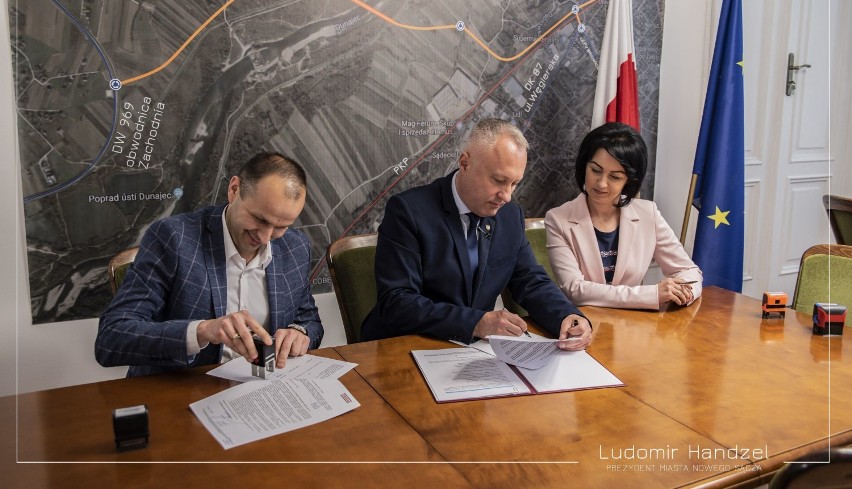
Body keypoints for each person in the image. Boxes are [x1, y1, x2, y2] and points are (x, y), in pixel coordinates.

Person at [361, 118, 592, 348]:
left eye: (514, 183)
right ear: (464, 163)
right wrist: (476, 323)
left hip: (470, 353)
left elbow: (530, 280)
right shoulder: (408, 211)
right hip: (402, 347)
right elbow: (397, 302)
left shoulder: (510, 215)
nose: (507, 195)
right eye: (499, 180)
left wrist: (567, 316)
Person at [95, 152, 323, 376]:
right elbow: (111, 337)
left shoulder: (295, 248)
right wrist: (203, 331)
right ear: (234, 189)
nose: (265, 238)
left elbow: (309, 321)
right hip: (179, 394)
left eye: (281, 226)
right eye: (260, 219)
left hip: (260, 391)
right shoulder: (174, 239)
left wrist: (299, 332)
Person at [545, 122, 702, 310]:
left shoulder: (648, 214)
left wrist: (683, 293)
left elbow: (688, 270)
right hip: (584, 325)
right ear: (583, 166)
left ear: (629, 180)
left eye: (615, 177)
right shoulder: (558, 219)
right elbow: (575, 290)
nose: (601, 183)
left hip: (635, 326)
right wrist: (651, 294)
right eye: (595, 170)